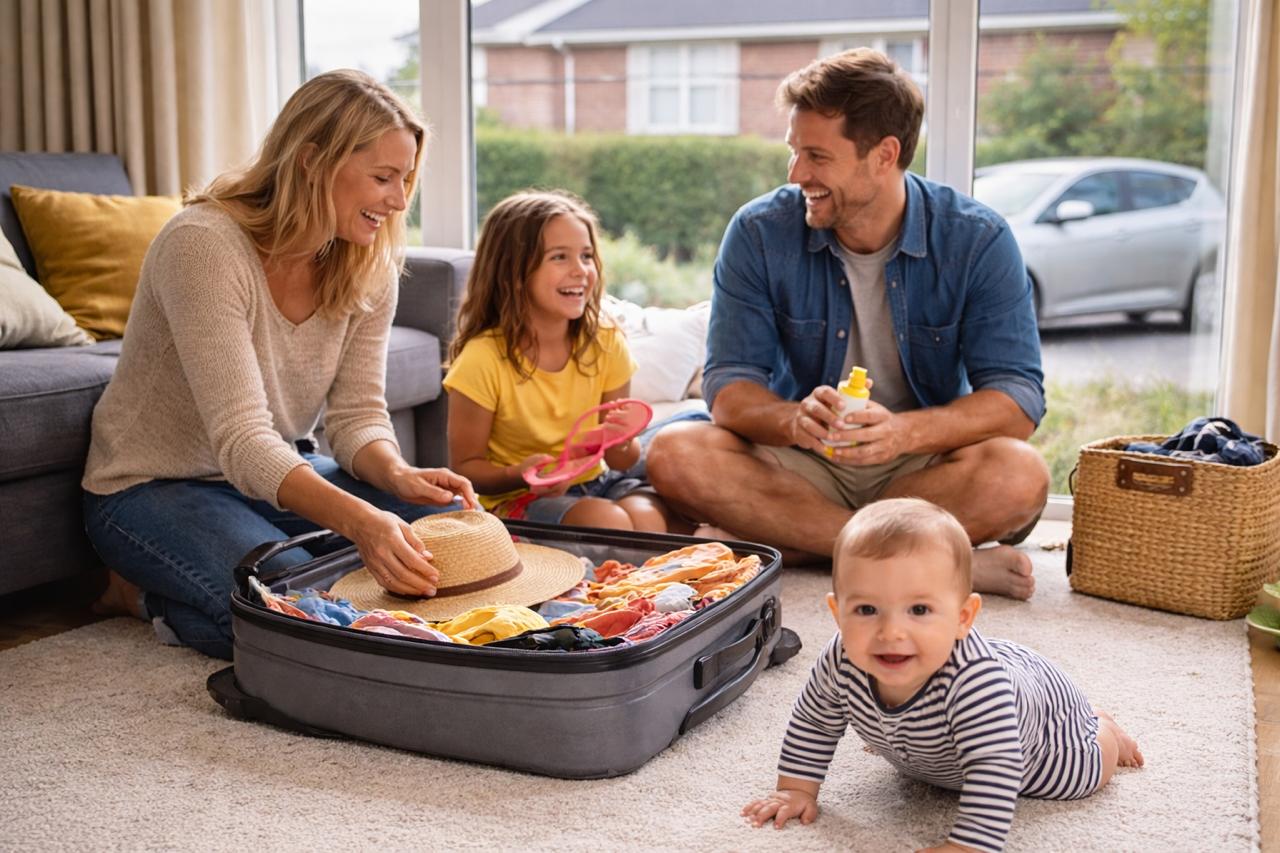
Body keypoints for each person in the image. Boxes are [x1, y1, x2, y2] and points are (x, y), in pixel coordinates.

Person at [82, 69, 478, 660]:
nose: (398, 200)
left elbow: (356, 417)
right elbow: (242, 440)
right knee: (299, 613)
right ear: (312, 160)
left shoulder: (366, 262)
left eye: (406, 180)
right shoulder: (203, 245)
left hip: (278, 473)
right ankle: (140, 595)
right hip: (152, 487)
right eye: (382, 177)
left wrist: (396, 476)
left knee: (453, 542)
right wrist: (363, 523)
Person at [646, 48, 1049, 599]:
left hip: (916, 464)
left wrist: (904, 432)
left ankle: (787, 542)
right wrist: (793, 422)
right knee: (675, 452)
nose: (796, 174)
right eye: (794, 151)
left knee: (1019, 475)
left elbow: (1018, 398)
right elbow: (729, 389)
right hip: (803, 463)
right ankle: (935, 564)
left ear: (884, 155)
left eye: (816, 155)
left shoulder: (976, 239)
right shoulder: (760, 231)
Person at [742, 498, 1143, 852]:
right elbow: (814, 721)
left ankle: (1103, 727)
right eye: (867, 610)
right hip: (961, 713)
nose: (891, 633)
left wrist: (970, 845)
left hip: (1041, 738)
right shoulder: (841, 655)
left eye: (918, 610)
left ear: (962, 617)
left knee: (1081, 775)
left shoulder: (976, 685)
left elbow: (997, 767)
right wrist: (795, 789)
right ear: (837, 613)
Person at [443, 190, 678, 531]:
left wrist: (622, 438)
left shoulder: (605, 342)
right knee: (610, 523)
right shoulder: (482, 359)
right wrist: (522, 474)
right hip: (521, 498)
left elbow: (619, 460)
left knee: (648, 522)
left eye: (586, 256)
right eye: (559, 257)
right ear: (512, 272)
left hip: (600, 481)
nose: (580, 270)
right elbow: (466, 468)